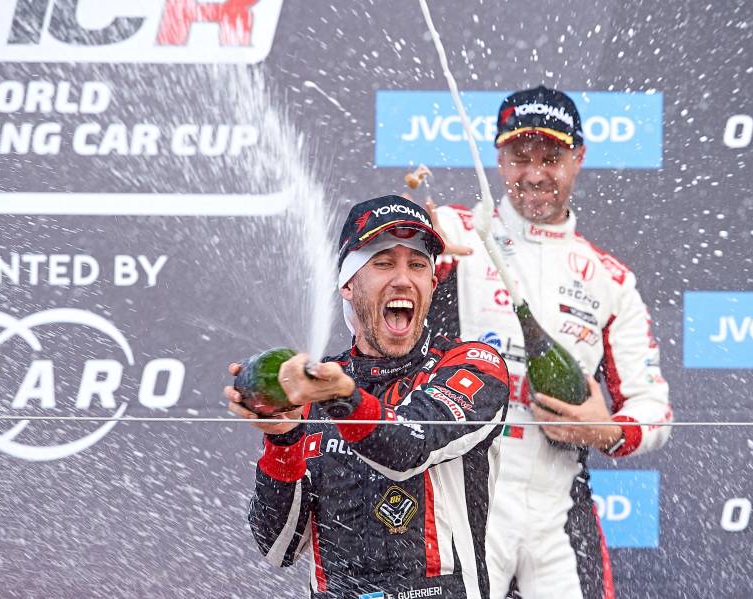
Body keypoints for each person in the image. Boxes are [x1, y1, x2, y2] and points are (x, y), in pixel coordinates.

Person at [424, 86, 674, 599]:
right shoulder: (457, 232)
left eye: (552, 157)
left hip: (556, 505)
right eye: (520, 158)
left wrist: (605, 430)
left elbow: (654, 410)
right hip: (466, 497)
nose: (535, 173)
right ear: (499, 159)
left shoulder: (611, 281)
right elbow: (380, 271)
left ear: (578, 158)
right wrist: (411, 242)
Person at [225, 195, 510, 599]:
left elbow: (406, 448)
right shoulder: (315, 385)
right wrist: (282, 439)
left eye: (416, 264)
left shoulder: (472, 364)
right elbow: (278, 547)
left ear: (432, 282)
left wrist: (341, 398)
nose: (402, 278)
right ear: (348, 283)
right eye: (382, 263)